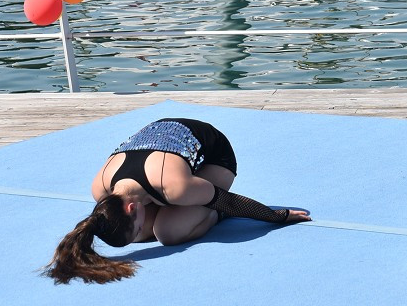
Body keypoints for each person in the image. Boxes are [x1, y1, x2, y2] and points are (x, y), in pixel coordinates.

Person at [43, 118, 311, 284]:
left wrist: (277, 216)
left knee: (168, 233)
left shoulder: (175, 186)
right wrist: (136, 231)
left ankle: (211, 215)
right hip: (162, 151)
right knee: (142, 235)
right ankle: (172, 212)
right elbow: (126, 226)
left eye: (135, 223)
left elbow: (227, 200)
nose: (139, 230)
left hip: (213, 155)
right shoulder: (100, 188)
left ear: (132, 207)